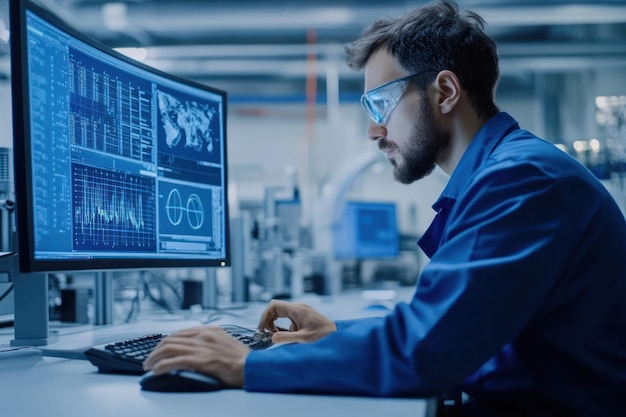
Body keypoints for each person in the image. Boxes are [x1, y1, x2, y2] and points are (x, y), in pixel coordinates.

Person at [143, 1, 626, 415]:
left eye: (381, 106)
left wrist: (246, 363)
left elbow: (427, 354)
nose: (375, 132)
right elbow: (445, 326)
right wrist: (331, 335)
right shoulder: (506, 173)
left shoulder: (521, 180)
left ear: (446, 92)